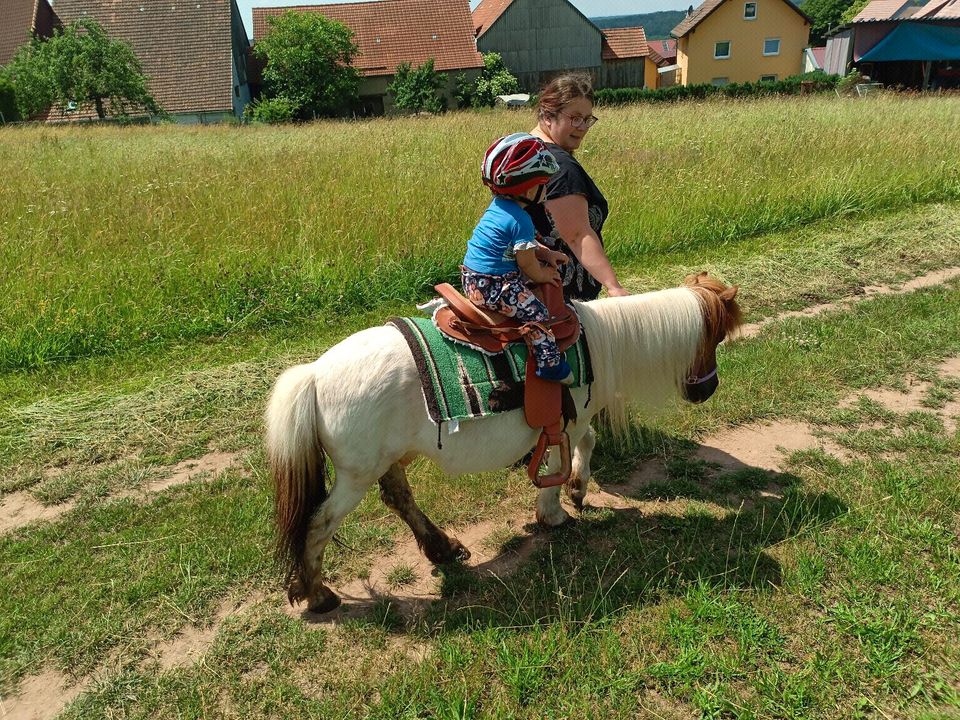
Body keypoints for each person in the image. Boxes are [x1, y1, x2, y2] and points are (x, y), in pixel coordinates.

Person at [462, 133, 574, 384]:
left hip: (471, 277)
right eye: (544, 183)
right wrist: (543, 274)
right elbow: (526, 263)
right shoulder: (521, 219)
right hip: (492, 286)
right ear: (527, 188)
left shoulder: (501, 207)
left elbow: (520, 247)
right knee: (536, 312)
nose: (547, 188)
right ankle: (550, 365)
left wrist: (545, 253)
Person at [527, 73, 630, 301]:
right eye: (574, 118)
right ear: (547, 116)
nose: (582, 127)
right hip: (558, 295)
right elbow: (576, 234)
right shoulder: (560, 167)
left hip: (530, 282)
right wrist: (614, 287)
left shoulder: (527, 150)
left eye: (587, 119)